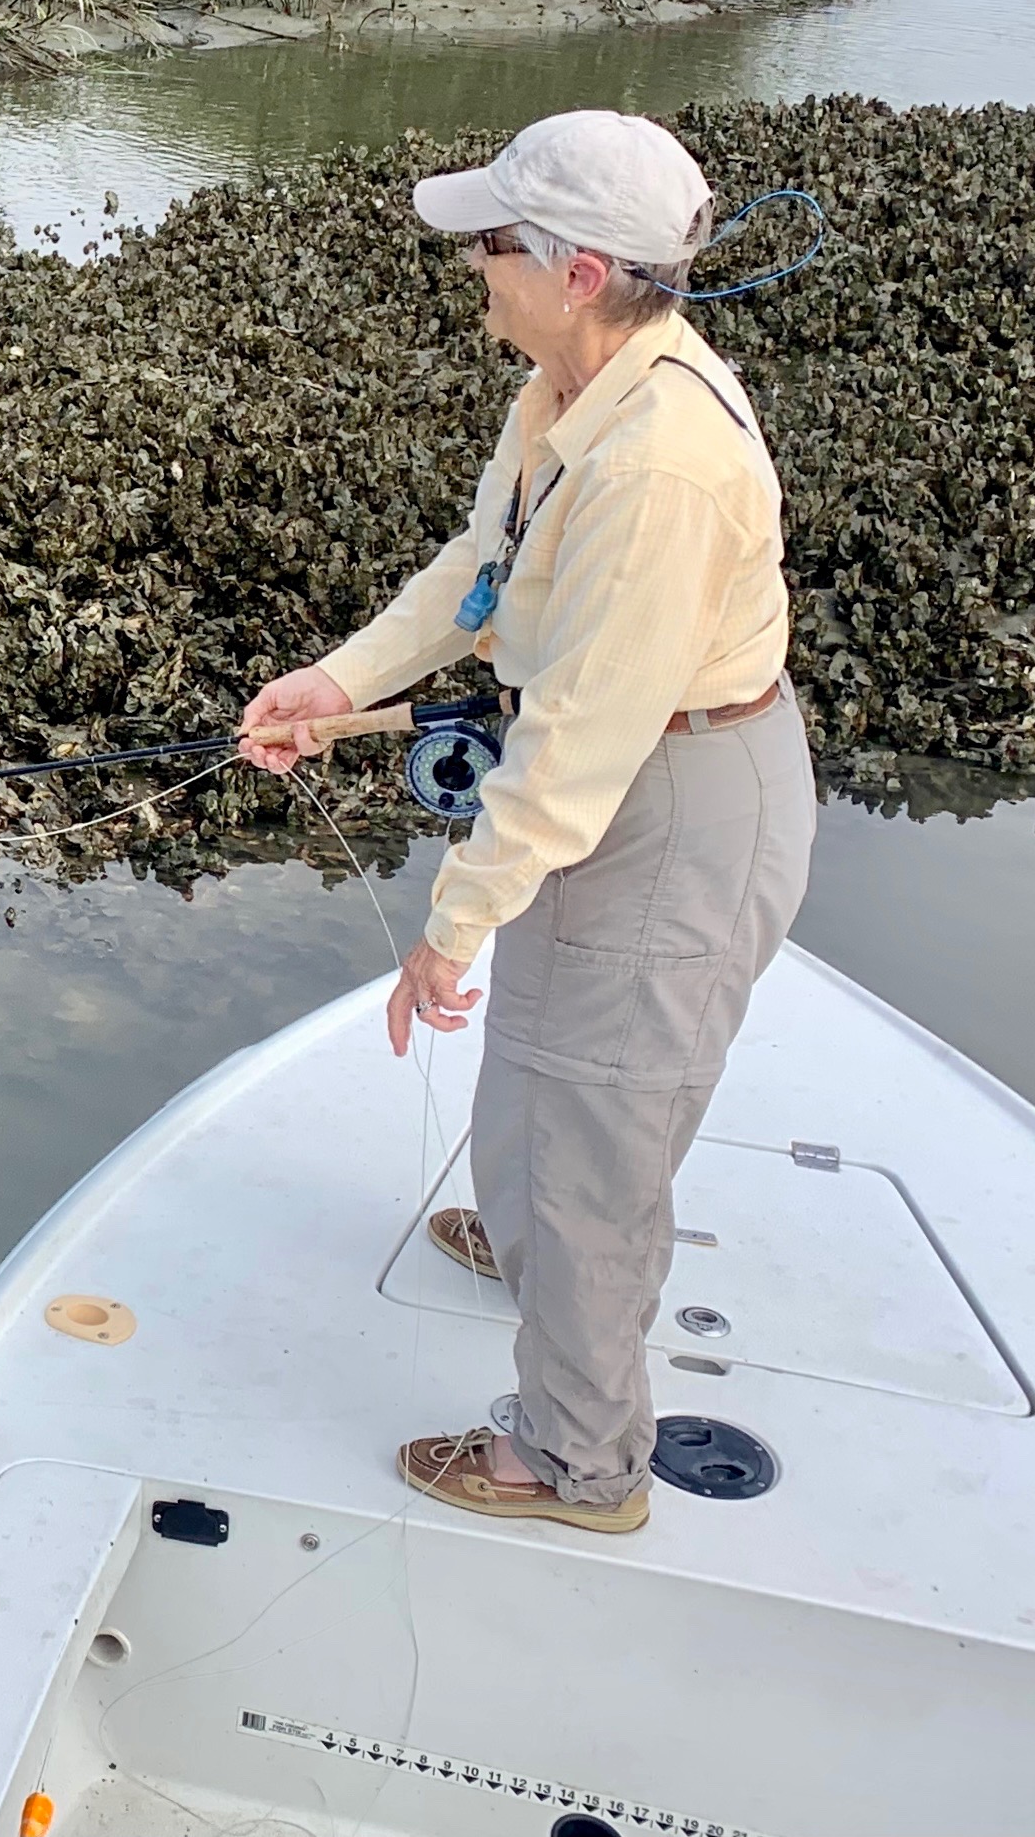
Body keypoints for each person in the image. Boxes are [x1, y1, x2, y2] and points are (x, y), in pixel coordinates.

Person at [239, 110, 813, 1536]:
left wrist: (447, 929)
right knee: (548, 1058)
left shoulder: (660, 470)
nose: (471, 265)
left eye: (492, 243)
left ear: (575, 270)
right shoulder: (571, 386)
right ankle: (528, 1233)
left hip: (676, 799)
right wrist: (340, 679)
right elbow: (481, 574)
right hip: (617, 773)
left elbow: (573, 754)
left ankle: (577, 1461)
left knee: (599, 1126)